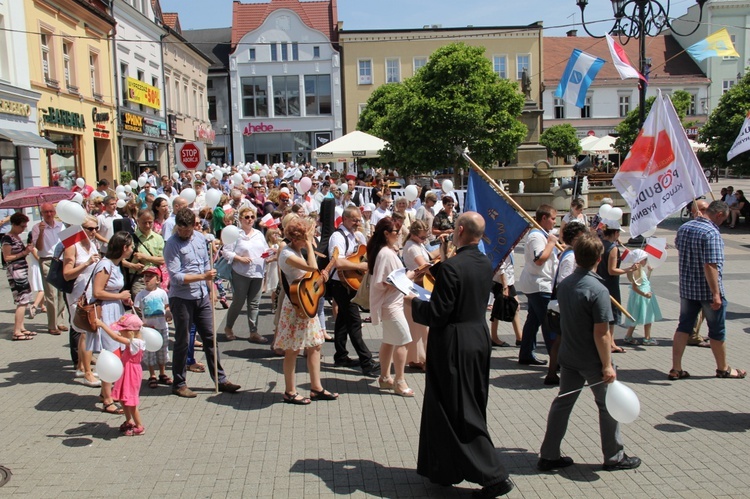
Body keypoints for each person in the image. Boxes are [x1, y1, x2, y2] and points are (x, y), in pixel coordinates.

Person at [406, 212, 513, 497]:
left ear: (461, 230)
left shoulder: (454, 266)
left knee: (459, 408)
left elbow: (439, 313)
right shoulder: (484, 262)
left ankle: (493, 476)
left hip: (453, 343)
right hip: (476, 338)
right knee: (451, 406)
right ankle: (443, 468)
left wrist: (413, 304)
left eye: (455, 228)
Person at [538, 233, 642, 473]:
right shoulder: (598, 289)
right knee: (608, 406)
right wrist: (607, 364)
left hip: (569, 354)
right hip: (592, 358)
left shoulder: (565, 284)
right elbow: (602, 333)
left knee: (562, 403)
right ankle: (614, 456)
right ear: (599, 257)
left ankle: (549, 454)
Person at [164, 207, 241, 398]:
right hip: (181, 298)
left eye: (188, 230)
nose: (184, 233)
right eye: (181, 230)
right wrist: (202, 276)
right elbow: (176, 277)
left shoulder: (199, 238)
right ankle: (179, 382)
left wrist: (210, 286)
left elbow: (207, 263)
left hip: (201, 296)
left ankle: (220, 379)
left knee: (210, 338)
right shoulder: (172, 244)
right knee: (182, 340)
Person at [669, 201, 745, 380]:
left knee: (683, 327)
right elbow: (710, 265)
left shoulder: (684, 228)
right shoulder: (711, 233)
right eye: (724, 219)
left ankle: (676, 368)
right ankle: (723, 368)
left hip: (688, 288)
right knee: (717, 331)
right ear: (719, 214)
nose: (723, 223)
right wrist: (716, 294)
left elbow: (681, 249)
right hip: (707, 292)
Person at [273, 216, 338, 405]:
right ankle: (290, 391)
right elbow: (311, 267)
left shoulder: (295, 250)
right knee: (292, 349)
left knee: (315, 345)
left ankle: (316, 387)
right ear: (296, 238)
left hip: (305, 301)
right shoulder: (287, 254)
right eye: (307, 237)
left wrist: (320, 277)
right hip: (295, 306)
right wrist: (310, 246)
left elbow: (310, 275)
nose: (311, 239)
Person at [329, 206, 380, 378]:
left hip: (350, 284)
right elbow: (338, 263)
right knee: (354, 322)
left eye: (359, 219)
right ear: (344, 219)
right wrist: (360, 266)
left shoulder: (355, 236)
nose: (358, 223)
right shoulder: (337, 236)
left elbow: (362, 255)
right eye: (354, 220)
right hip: (339, 284)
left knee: (343, 321)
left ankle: (341, 356)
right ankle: (367, 362)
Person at [368, 217, 415, 397]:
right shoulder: (386, 253)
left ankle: (385, 377)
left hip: (392, 303)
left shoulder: (385, 251)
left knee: (389, 341)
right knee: (403, 341)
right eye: (396, 231)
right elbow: (387, 282)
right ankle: (399, 381)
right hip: (391, 305)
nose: (400, 234)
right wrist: (412, 275)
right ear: (386, 234)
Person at [90, 231, 134, 415]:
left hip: (115, 308)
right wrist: (119, 296)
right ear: (124, 248)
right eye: (131, 247)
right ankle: (107, 398)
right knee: (111, 353)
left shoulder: (116, 265)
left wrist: (122, 300)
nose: (132, 250)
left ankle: (105, 392)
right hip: (105, 311)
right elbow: (97, 292)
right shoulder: (105, 265)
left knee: (117, 351)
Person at [516, 205, 558, 366]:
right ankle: (556, 360)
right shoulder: (536, 236)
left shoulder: (543, 234)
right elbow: (539, 259)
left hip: (541, 283)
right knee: (549, 324)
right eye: (553, 218)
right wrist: (551, 244)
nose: (555, 222)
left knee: (533, 321)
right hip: (539, 285)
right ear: (544, 218)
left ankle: (526, 353)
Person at [62, 216, 101, 386]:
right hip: (78, 294)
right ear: (80, 228)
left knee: (87, 331)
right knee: (86, 331)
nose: (93, 232)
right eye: (89, 228)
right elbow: (67, 274)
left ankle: (80, 366)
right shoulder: (72, 246)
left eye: (95, 228)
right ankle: (87, 373)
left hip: (90, 292)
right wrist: (86, 263)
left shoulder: (92, 244)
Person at [222, 206, 268, 343]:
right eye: (247, 217)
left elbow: (265, 250)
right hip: (241, 272)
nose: (250, 220)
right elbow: (226, 252)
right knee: (238, 301)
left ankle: (253, 332)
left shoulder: (258, 234)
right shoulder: (236, 234)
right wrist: (239, 258)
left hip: (257, 272)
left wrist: (270, 253)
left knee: (254, 303)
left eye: (252, 217)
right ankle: (228, 327)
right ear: (241, 219)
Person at [96, 314, 147, 436]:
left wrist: (102, 325)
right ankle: (129, 420)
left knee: (131, 401)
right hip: (125, 370)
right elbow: (119, 337)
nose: (119, 332)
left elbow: (115, 337)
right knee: (123, 398)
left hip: (131, 372)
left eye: (122, 330)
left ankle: (139, 426)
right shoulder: (135, 340)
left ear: (130, 332)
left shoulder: (136, 343)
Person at [402, 220, 440, 370]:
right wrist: (439, 272)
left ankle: (416, 358)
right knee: (420, 326)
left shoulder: (417, 244)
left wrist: (443, 249)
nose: (424, 240)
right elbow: (424, 265)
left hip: (419, 287)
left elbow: (429, 256)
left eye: (425, 237)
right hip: (416, 287)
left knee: (418, 326)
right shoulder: (412, 247)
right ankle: (422, 359)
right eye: (422, 237)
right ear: (413, 234)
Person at [596, 220, 636, 353]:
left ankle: (610, 342)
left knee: (602, 314)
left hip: (599, 281)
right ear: (615, 233)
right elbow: (612, 270)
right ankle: (610, 343)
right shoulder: (612, 248)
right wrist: (628, 269)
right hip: (610, 283)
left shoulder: (599, 244)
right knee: (612, 314)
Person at [134, 266, 172, 389]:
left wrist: (168, 312)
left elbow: (166, 306)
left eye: (151, 276)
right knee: (149, 352)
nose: (147, 279)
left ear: (158, 280)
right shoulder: (140, 295)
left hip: (162, 326)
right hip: (148, 329)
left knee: (162, 351)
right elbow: (136, 309)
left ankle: (162, 372)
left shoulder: (162, 293)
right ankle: (152, 374)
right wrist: (140, 322)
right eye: (146, 276)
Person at [32, 202, 66, 335]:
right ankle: (52, 325)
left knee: (61, 293)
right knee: (51, 294)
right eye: (46, 212)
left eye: (51, 211)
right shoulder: (37, 227)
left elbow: (65, 242)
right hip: (46, 260)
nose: (49, 214)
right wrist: (41, 232)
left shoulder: (60, 226)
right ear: (42, 214)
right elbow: (39, 247)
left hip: (59, 260)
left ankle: (60, 321)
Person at [2, 213, 35, 340]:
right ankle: (16, 331)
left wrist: (26, 250)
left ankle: (21, 327)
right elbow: (7, 257)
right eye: (21, 226)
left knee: (25, 298)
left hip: (22, 270)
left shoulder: (16, 237)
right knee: (22, 300)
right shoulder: (7, 238)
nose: (23, 229)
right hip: (16, 272)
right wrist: (23, 252)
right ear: (14, 225)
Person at [622, 250, 662, 346]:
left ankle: (629, 336)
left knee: (636, 316)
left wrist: (649, 272)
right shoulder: (636, 270)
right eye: (645, 259)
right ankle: (647, 338)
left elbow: (644, 281)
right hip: (642, 297)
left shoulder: (639, 269)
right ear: (640, 260)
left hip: (641, 296)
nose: (646, 261)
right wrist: (645, 294)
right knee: (647, 317)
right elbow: (635, 287)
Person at [127, 209, 166, 299]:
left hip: (154, 278)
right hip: (138, 277)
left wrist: (145, 257)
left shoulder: (158, 238)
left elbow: (162, 260)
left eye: (150, 222)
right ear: (138, 221)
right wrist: (132, 265)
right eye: (144, 223)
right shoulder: (131, 238)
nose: (147, 226)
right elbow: (121, 261)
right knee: (140, 306)